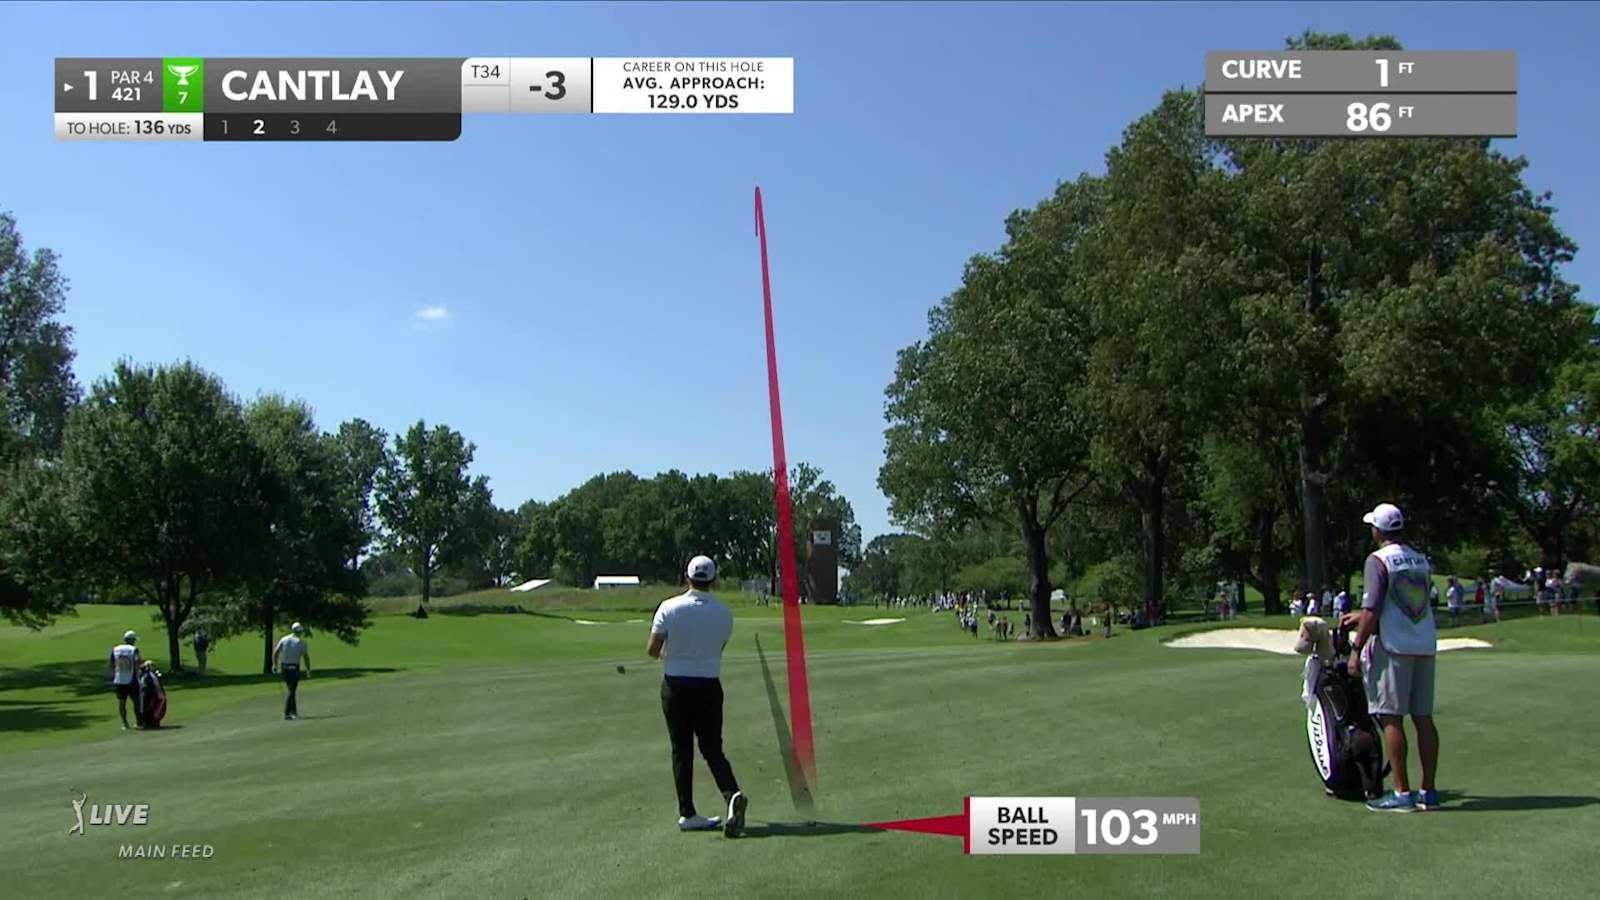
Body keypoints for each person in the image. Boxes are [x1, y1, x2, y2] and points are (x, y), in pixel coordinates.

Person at [1342, 502, 1441, 813]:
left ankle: (1402, 793)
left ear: (1379, 530)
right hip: (1424, 644)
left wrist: (1356, 649)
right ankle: (1429, 791)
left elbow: (1373, 611)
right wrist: (1364, 615)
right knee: (1423, 718)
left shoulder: (1377, 560)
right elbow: (1405, 602)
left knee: (1391, 717)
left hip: (1394, 646)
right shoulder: (1419, 559)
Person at [648, 555, 748, 838]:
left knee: (682, 750)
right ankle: (731, 796)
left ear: (686, 578)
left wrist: (670, 652)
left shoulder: (669, 607)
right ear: (713, 581)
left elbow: (653, 649)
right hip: (709, 687)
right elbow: (719, 648)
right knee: (713, 749)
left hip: (676, 687)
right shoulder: (724, 613)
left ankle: (687, 813)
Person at [272, 622, 312, 721]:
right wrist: (308, 670)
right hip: (294, 667)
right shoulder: (301, 642)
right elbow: (306, 657)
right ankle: (286, 713)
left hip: (284, 667)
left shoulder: (284, 639)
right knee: (292, 690)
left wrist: (274, 665)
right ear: (300, 631)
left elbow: (276, 652)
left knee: (291, 689)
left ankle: (293, 712)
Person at [108, 630, 143, 730]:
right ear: (132, 640)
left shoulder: (116, 649)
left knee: (122, 702)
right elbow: (137, 662)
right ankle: (138, 722)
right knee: (136, 701)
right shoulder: (133, 649)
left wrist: (113, 675)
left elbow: (112, 663)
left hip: (119, 679)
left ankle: (124, 723)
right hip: (131, 679)